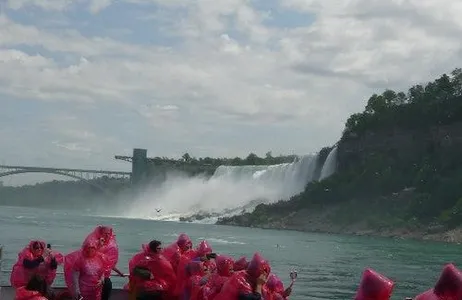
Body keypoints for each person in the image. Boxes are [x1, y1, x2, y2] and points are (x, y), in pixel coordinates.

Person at [83, 225, 123, 300]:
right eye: (105, 233)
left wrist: (119, 272)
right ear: (100, 233)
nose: (107, 235)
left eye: (109, 233)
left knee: (106, 293)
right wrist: (99, 245)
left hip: (105, 278)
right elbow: (89, 258)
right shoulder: (92, 243)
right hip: (93, 278)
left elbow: (108, 264)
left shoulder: (109, 246)